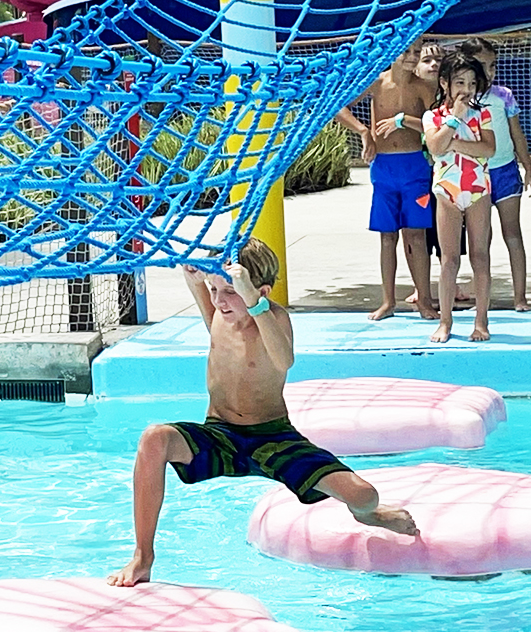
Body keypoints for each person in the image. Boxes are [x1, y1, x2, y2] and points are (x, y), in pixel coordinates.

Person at [106, 238, 420, 588]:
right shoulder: (223, 314)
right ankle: (143, 557)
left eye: (231, 292)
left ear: (261, 292)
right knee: (154, 438)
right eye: (215, 291)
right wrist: (196, 280)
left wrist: (255, 304)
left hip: (273, 437)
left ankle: (370, 516)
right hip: (220, 434)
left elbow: (284, 359)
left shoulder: (274, 318)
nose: (220, 301)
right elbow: (214, 309)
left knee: (366, 495)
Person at [335, 41, 440, 322]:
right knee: (387, 237)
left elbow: (437, 123)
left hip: (415, 168)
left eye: (416, 53)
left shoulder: (423, 87)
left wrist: (404, 120)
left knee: (417, 236)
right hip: (383, 169)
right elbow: (337, 104)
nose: (411, 57)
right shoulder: (376, 82)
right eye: (405, 51)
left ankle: (424, 300)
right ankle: (388, 301)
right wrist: (363, 131)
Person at [459, 37, 531, 312]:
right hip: (476, 174)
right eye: (483, 65)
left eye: (493, 65)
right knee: (480, 241)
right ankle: (483, 299)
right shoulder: (461, 100)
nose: (490, 72)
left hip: (505, 172)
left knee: (512, 233)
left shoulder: (503, 95)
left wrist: (528, 169)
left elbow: (516, 133)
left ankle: (520, 297)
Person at [422, 52, 496, 343]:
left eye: (472, 83)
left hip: (478, 191)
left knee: (480, 257)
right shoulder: (434, 116)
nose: (466, 89)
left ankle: (481, 320)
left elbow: (488, 149)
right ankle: (445, 321)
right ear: (445, 84)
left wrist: (454, 143)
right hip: (447, 193)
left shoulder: (483, 113)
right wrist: (454, 121)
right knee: (449, 259)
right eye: (460, 82)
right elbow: (436, 147)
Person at [406, 42, 471, 306]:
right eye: (426, 61)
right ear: (416, 68)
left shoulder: (456, 96)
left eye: (437, 60)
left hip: (449, 174)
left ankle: (451, 282)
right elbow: (425, 127)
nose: (432, 65)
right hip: (422, 171)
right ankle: (420, 285)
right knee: (418, 231)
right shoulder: (415, 91)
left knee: (448, 234)